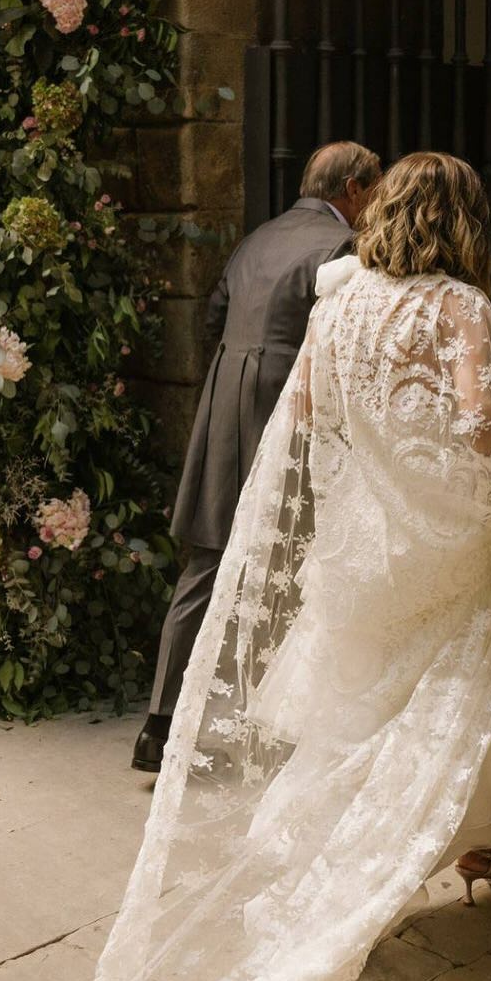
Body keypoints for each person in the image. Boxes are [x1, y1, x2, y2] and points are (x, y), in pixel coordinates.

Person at [72, 152, 491, 981]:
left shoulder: (341, 299)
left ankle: (448, 852)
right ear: (461, 221)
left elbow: (312, 407)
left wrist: (381, 461)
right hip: (445, 545)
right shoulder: (459, 306)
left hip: (360, 549)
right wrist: (450, 469)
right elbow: (481, 424)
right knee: (462, 696)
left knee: (360, 711)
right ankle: (378, 874)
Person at [131, 140, 382, 774]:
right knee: (298, 561)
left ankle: (159, 726)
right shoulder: (344, 248)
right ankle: (278, 724)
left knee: (207, 560)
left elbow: (214, 319)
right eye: (375, 190)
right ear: (354, 190)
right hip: (288, 413)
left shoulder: (256, 238)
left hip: (224, 408)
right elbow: (344, 347)